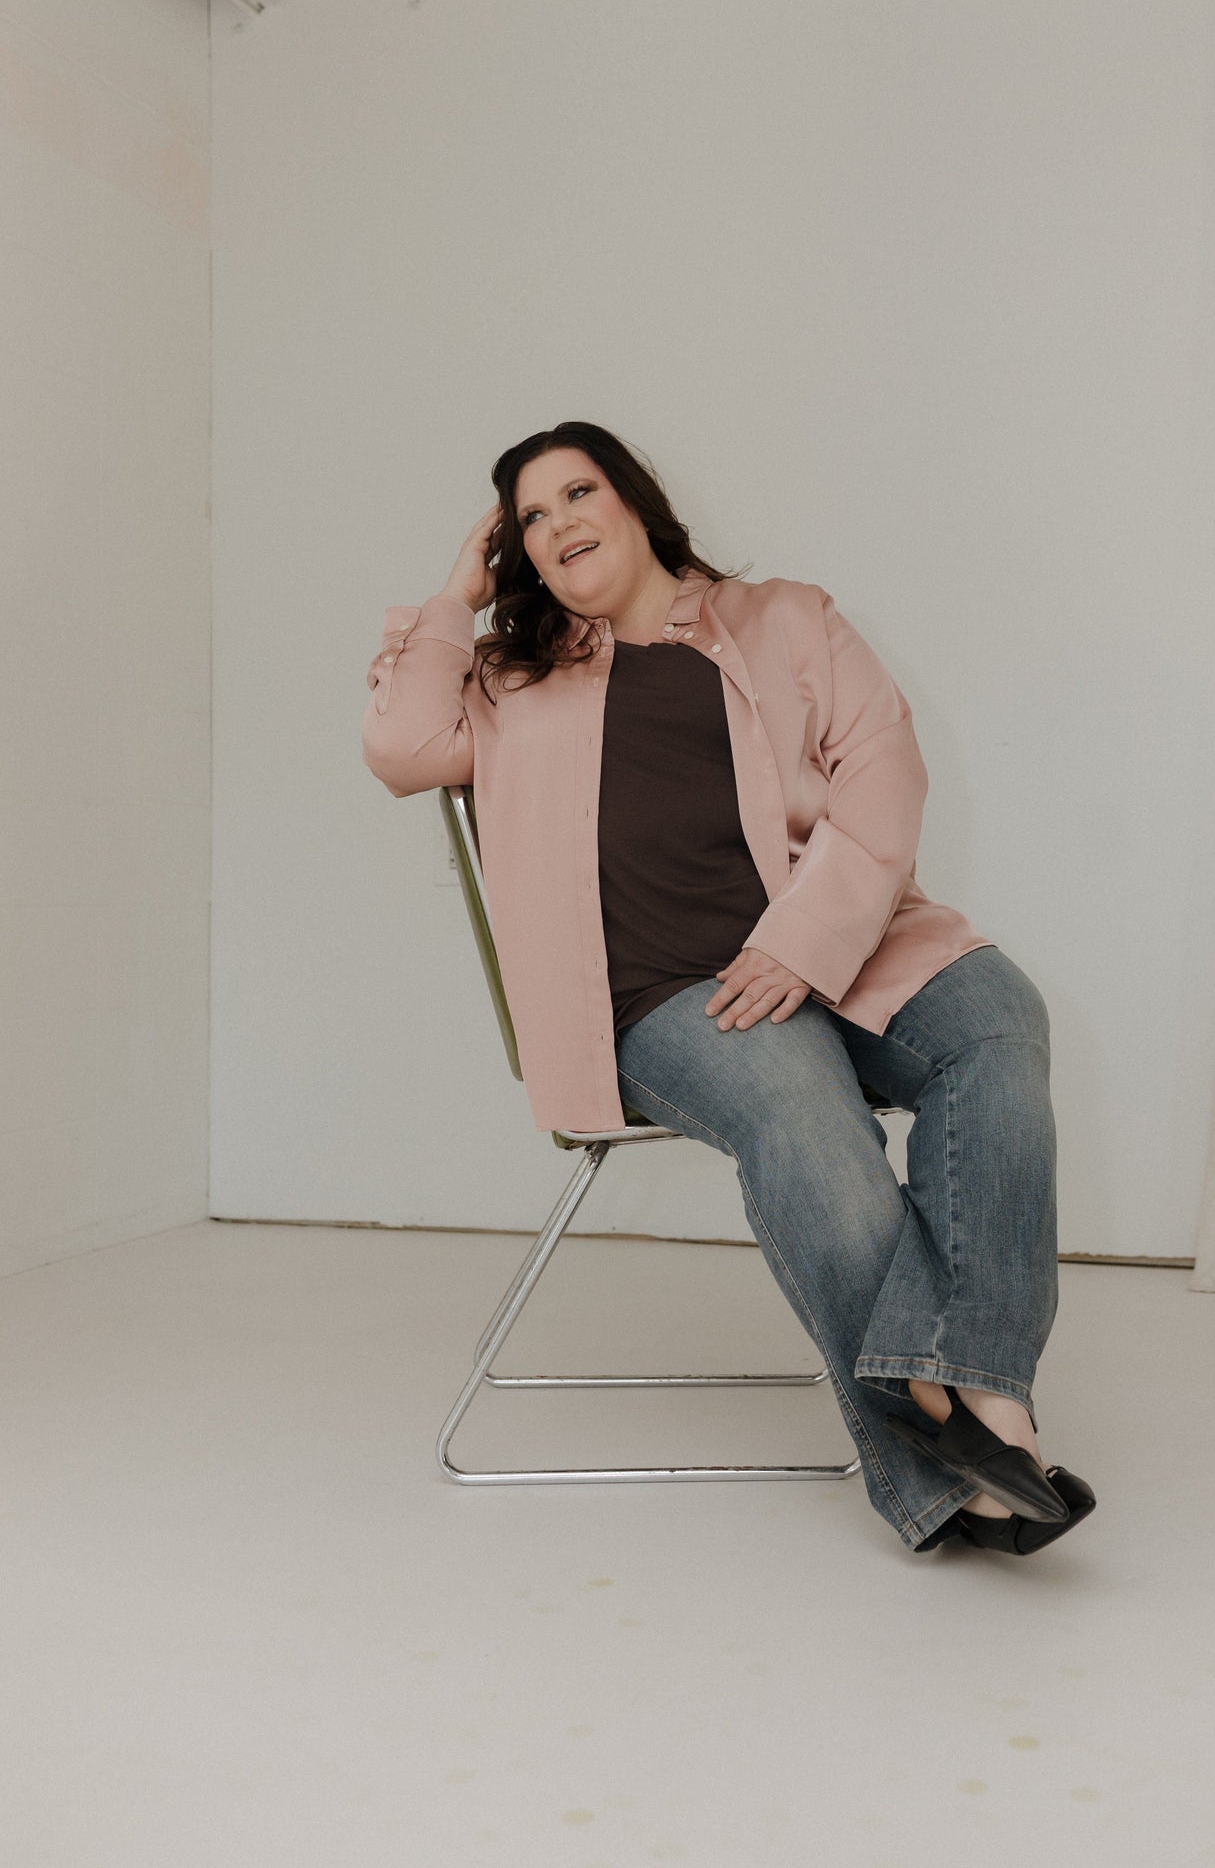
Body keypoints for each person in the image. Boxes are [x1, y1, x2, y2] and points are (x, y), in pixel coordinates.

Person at [362, 420, 1095, 1556]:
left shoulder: (786, 618)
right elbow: (400, 745)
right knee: (808, 1113)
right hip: (663, 995)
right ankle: (954, 1471)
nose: (555, 525)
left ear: (635, 499)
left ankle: (977, 1395)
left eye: (576, 492)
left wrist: (804, 943)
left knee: (1000, 1022)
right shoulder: (516, 681)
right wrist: (453, 598)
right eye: (528, 519)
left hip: (841, 944)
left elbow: (883, 769)